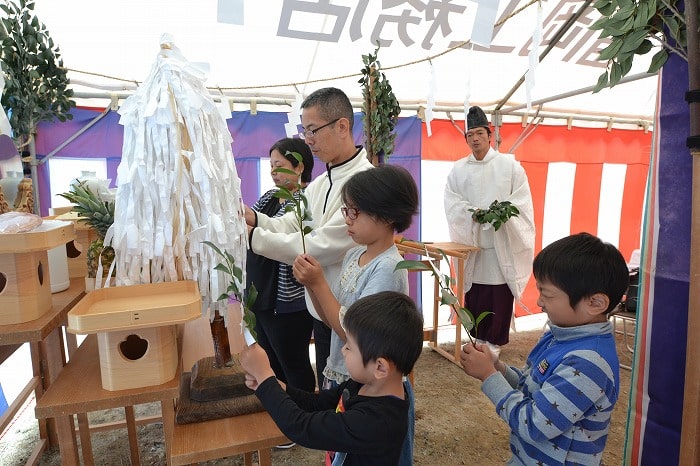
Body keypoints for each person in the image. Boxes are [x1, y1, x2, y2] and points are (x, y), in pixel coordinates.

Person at [459, 232, 629, 465]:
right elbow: (533, 388)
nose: (539, 302)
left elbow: (535, 424)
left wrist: (488, 376)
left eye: (546, 294)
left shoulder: (589, 363)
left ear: (595, 303)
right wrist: (498, 367)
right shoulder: (559, 336)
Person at [244, 87, 374, 389]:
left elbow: (319, 247)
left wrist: (254, 238)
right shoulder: (322, 181)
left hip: (347, 310)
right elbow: (294, 223)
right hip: (320, 304)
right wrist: (256, 219)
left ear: (342, 126)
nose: (308, 140)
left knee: (346, 384)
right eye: (305, 131)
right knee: (327, 379)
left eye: (313, 130)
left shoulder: (364, 182)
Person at [292, 164, 419, 465]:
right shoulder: (353, 255)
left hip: (367, 381)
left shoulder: (388, 269)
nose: (347, 219)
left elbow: (354, 332)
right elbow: (330, 315)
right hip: (344, 371)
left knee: (359, 455)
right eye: (346, 210)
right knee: (339, 452)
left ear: (387, 216)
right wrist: (311, 285)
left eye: (355, 212)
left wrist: (317, 282)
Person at [239, 291, 424, 466]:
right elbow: (316, 403)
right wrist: (278, 387)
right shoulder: (362, 384)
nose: (343, 351)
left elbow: (301, 427)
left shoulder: (378, 423)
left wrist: (265, 377)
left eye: (349, 347)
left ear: (380, 367)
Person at [443, 105, 535, 355]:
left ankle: (494, 342)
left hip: (500, 242)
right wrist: (472, 215)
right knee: (477, 291)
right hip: (473, 242)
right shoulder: (459, 169)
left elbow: (521, 201)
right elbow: (452, 202)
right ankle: (478, 338)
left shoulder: (510, 166)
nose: (474, 139)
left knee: (497, 292)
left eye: (479, 134)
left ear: (490, 134)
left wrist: (501, 213)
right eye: (469, 135)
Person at [245, 137, 316, 392]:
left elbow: (280, 237)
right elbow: (247, 224)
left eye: (279, 165)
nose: (273, 172)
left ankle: (304, 412)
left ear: (299, 167)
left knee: (293, 362)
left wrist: (252, 227)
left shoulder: (307, 202)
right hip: (261, 294)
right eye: (271, 166)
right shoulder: (270, 197)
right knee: (270, 359)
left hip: (288, 301)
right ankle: (282, 409)